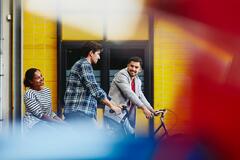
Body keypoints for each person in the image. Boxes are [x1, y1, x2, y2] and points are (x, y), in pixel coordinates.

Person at [64, 41, 122, 127]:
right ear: (91, 53)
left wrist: (115, 105)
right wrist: (111, 106)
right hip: (79, 113)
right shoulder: (84, 64)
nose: (99, 57)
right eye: (98, 54)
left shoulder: (82, 64)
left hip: (79, 113)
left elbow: (92, 90)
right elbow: (94, 88)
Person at [104, 56, 159, 137]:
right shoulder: (121, 75)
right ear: (127, 65)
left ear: (140, 70)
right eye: (131, 66)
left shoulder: (137, 80)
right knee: (128, 136)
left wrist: (151, 109)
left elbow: (140, 96)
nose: (133, 69)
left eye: (136, 67)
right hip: (115, 113)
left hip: (128, 114)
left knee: (126, 139)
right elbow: (129, 93)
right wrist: (144, 108)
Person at [23, 68, 64, 132]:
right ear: (31, 81)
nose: (41, 78)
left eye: (41, 76)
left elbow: (50, 113)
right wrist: (59, 123)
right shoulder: (29, 94)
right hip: (34, 125)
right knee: (56, 132)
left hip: (47, 123)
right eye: (38, 78)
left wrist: (63, 123)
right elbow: (41, 115)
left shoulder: (47, 91)